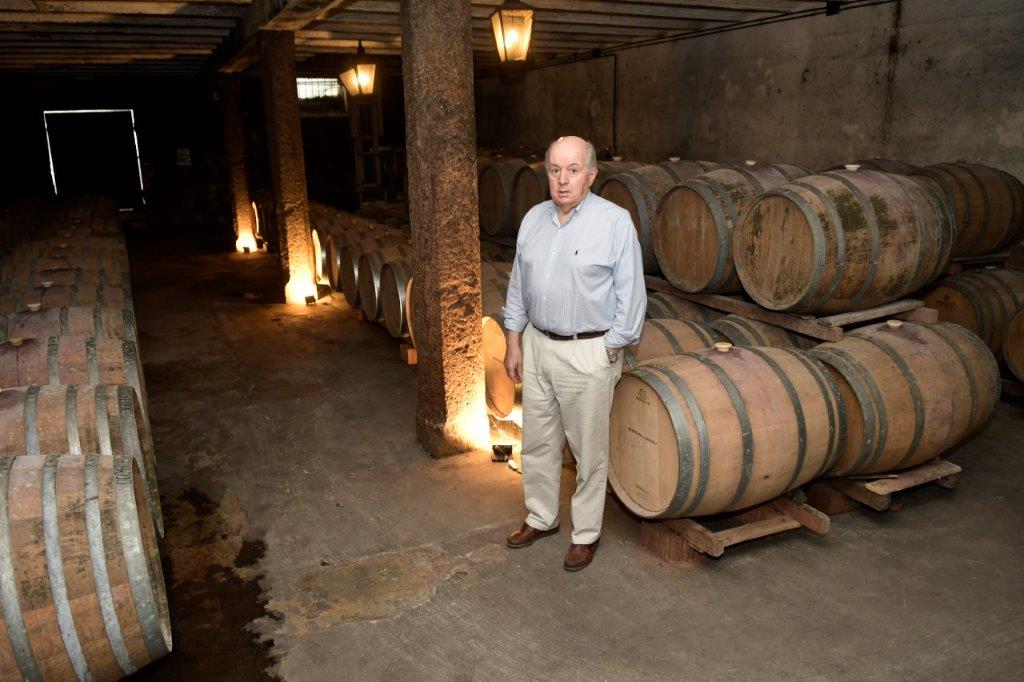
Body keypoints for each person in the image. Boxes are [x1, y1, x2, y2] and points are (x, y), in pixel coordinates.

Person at [501, 135, 646, 572]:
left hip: (588, 350)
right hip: (539, 345)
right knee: (539, 442)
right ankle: (541, 517)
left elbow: (632, 298)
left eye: (573, 169)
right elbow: (517, 286)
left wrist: (609, 348)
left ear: (592, 174)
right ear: (546, 173)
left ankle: (585, 534)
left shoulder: (615, 223)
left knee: (588, 452)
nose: (563, 180)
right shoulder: (533, 220)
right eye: (555, 170)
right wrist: (514, 340)